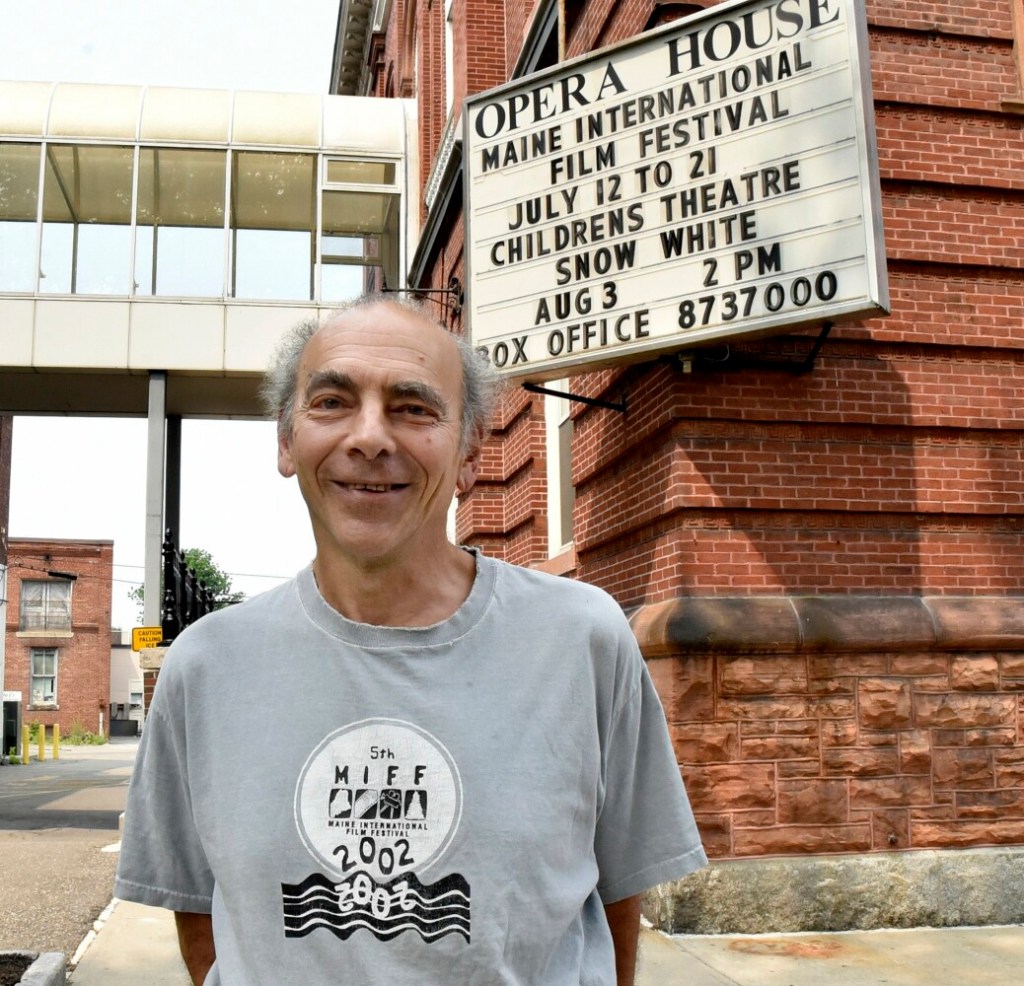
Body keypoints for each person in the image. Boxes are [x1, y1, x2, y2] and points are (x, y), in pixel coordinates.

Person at [115, 294, 707, 986]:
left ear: (469, 452)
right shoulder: (206, 667)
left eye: (413, 408)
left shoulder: (583, 640)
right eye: (332, 401)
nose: (370, 437)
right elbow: (201, 913)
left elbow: (617, 894)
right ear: (285, 439)